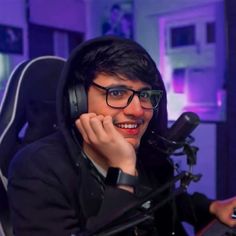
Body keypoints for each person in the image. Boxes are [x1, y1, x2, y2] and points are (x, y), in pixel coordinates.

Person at [7, 36, 236, 236]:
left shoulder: (146, 154)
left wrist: (211, 207)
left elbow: (162, 200)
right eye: (116, 93)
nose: (137, 110)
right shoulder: (37, 169)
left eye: (145, 95)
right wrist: (123, 171)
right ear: (78, 101)